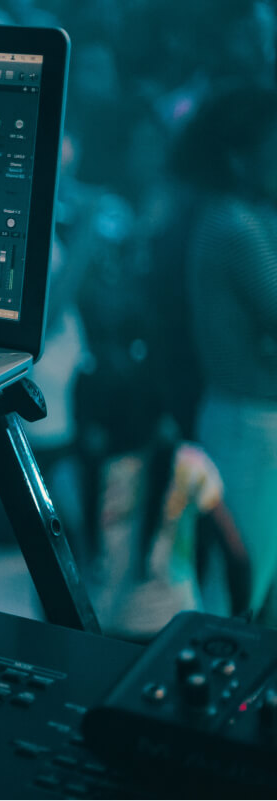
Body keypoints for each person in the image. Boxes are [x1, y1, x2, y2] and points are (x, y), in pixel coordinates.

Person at [176, 82, 277, 625]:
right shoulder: (235, 226)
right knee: (236, 599)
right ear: (242, 156)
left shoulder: (242, 218)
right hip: (249, 426)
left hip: (250, 421)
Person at [70, 345, 251, 642]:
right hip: (176, 630)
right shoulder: (188, 465)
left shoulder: (69, 475)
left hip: (99, 632)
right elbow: (238, 557)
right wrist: (238, 633)